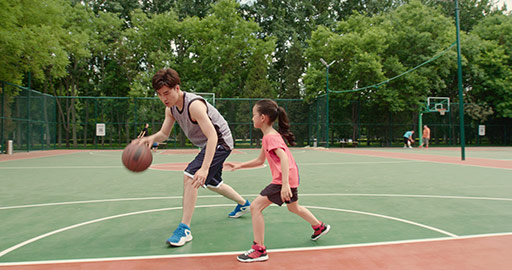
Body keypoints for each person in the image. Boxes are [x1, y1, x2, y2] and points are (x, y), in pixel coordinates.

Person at [134, 68, 250, 247]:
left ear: (177, 88)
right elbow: (164, 133)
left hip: (221, 142)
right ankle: (244, 204)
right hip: (209, 143)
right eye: (159, 94)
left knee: (190, 176)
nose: (163, 98)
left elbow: (213, 136)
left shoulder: (194, 105)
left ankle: (184, 229)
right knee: (213, 183)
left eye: (166, 93)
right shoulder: (170, 109)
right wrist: (150, 139)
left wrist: (203, 168)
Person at [226, 99, 330, 263]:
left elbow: (284, 158)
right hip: (289, 177)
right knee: (293, 207)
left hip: (284, 179)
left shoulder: (271, 138)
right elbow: (260, 161)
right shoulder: (268, 136)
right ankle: (319, 227)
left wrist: (285, 185)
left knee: (255, 207)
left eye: (253, 115)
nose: (251, 118)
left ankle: (259, 249)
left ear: (263, 118)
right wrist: (240, 165)